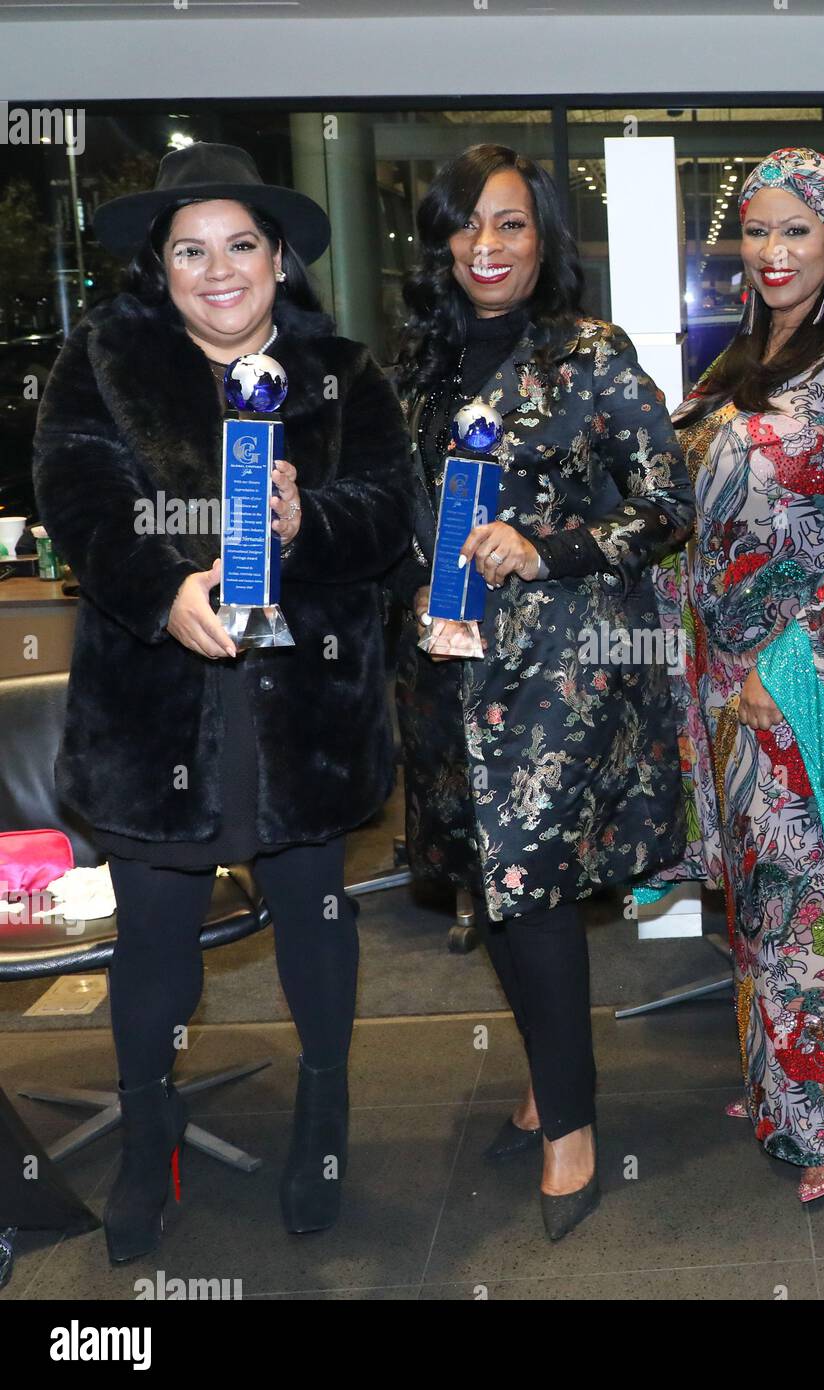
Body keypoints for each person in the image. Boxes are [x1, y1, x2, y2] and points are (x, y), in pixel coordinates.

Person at [33, 142, 412, 1263]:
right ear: (161, 265)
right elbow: (79, 498)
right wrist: (163, 592)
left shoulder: (342, 370)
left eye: (239, 244)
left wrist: (311, 523)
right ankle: (149, 1139)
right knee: (154, 941)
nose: (217, 269)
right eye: (190, 249)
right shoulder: (102, 360)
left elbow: (392, 514)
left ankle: (324, 1126)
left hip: (305, 710)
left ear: (278, 254)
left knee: (316, 921)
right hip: (157, 711)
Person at [389, 144, 694, 1240]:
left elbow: (667, 505)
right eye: (466, 224)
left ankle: (573, 1128)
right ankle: (541, 1085)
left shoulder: (589, 353)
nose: (487, 245)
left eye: (510, 224)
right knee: (491, 888)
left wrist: (547, 546)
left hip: (556, 676)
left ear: (544, 238)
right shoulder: (414, 368)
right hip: (442, 672)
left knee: (534, 892)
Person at [655, 148, 824, 1203]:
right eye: (757, 231)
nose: (772, 252)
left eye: (794, 232)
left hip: (804, 681)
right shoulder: (738, 360)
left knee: (810, 897)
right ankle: (781, 1084)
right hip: (725, 679)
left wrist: (796, 662)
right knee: (759, 898)